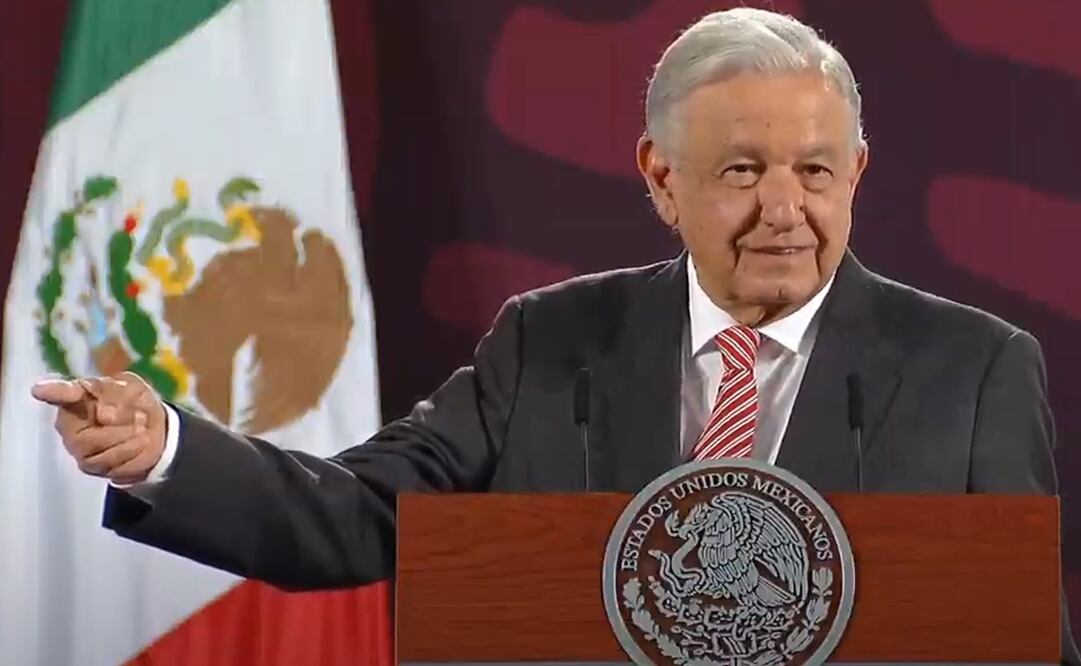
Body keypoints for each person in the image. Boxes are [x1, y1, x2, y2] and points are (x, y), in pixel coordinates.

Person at [30, 8, 1079, 662]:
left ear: (854, 173)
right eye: (740, 172)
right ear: (661, 178)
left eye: (813, 170)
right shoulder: (551, 342)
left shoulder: (973, 369)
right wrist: (166, 447)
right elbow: (357, 517)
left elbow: (1022, 639)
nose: (782, 210)